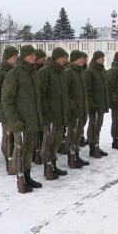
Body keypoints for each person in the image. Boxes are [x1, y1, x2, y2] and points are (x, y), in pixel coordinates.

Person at [2, 45, 44, 193]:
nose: (34, 57)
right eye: (31, 54)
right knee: (20, 151)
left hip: (32, 119)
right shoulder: (15, 74)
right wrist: (14, 121)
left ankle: (27, 176)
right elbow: (7, 100)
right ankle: (20, 177)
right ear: (25, 56)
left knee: (28, 151)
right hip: (22, 120)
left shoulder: (32, 73)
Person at [38, 47, 70, 179]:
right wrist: (47, 112)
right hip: (50, 114)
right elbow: (41, 94)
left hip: (60, 113)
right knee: (48, 142)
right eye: (63, 57)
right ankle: (48, 166)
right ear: (57, 57)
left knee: (56, 141)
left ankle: (53, 164)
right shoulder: (45, 72)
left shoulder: (62, 72)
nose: (65, 60)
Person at [0, 46, 18, 173]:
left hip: (14, 109)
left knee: (13, 134)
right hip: (5, 110)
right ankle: (8, 158)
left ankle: (13, 157)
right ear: (7, 57)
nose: (16, 59)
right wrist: (1, 110)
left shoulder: (14, 70)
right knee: (7, 135)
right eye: (14, 57)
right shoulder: (0, 72)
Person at [65, 50, 90, 168]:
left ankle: (77, 154)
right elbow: (66, 93)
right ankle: (71, 157)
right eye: (80, 58)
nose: (82, 60)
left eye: (82, 58)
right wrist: (73, 107)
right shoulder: (69, 72)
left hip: (82, 110)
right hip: (73, 111)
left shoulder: (81, 72)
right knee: (72, 134)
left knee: (78, 134)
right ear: (74, 59)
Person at [86, 51, 110, 158]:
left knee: (98, 126)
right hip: (94, 105)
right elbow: (88, 91)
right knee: (93, 126)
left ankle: (97, 145)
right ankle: (92, 148)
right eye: (101, 58)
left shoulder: (102, 71)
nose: (103, 59)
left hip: (101, 104)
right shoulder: (90, 71)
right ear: (96, 58)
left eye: (103, 58)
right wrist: (92, 103)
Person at [32, 49, 47, 165]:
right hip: (32, 106)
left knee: (42, 131)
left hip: (41, 105)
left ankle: (39, 152)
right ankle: (34, 153)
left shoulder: (42, 70)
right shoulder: (32, 70)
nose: (44, 60)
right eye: (42, 58)